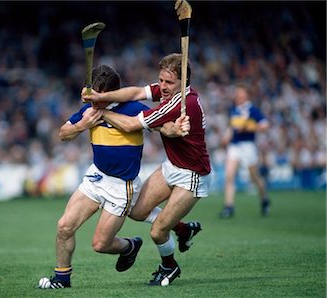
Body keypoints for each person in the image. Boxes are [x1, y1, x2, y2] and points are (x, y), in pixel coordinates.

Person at [40, 64, 191, 289]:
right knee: (64, 226)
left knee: (100, 245)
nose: (94, 101)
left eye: (99, 96)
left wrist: (177, 128)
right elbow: (63, 134)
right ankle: (62, 279)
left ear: (111, 93)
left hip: (122, 186)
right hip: (96, 177)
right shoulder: (89, 111)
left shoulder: (133, 109)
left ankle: (129, 247)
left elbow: (164, 127)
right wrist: (83, 125)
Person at [82, 53, 211, 286]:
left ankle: (169, 267)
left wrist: (99, 109)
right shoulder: (168, 92)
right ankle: (183, 230)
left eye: (168, 82)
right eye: (160, 80)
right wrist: (102, 96)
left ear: (183, 83)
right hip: (172, 166)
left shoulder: (183, 103)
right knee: (137, 210)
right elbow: (134, 93)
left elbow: (131, 124)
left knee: (158, 232)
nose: (162, 86)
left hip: (192, 175)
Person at [219, 83, 270, 218]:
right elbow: (232, 128)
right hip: (235, 145)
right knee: (229, 175)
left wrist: (247, 127)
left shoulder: (252, 110)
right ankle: (229, 207)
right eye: (237, 94)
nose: (238, 97)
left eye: (241, 94)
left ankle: (264, 197)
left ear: (246, 96)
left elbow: (264, 125)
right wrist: (226, 138)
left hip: (248, 145)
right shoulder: (234, 109)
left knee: (254, 177)